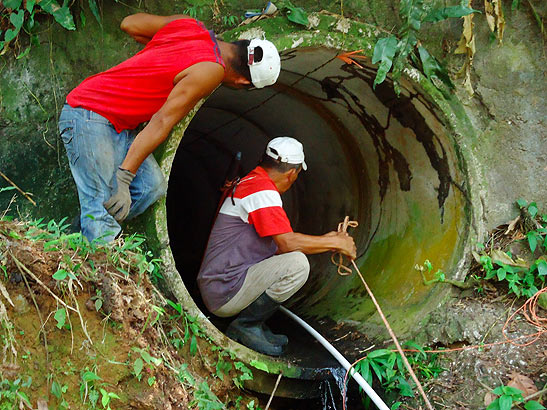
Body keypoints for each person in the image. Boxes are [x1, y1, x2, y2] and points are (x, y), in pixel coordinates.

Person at [58, 13, 281, 242]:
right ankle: (96, 237)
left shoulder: (192, 27)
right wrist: (124, 178)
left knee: (149, 188)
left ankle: (83, 232)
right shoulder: (212, 71)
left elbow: (130, 24)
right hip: (89, 113)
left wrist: (163, 48)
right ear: (243, 82)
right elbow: (162, 121)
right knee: (103, 207)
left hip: (120, 126)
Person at [197, 137, 357, 356]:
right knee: (298, 265)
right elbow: (288, 243)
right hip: (224, 292)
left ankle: (255, 325)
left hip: (218, 287)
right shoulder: (263, 192)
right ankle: (247, 325)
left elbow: (279, 247)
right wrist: (335, 242)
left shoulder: (251, 182)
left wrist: (327, 241)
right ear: (292, 174)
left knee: (292, 258)